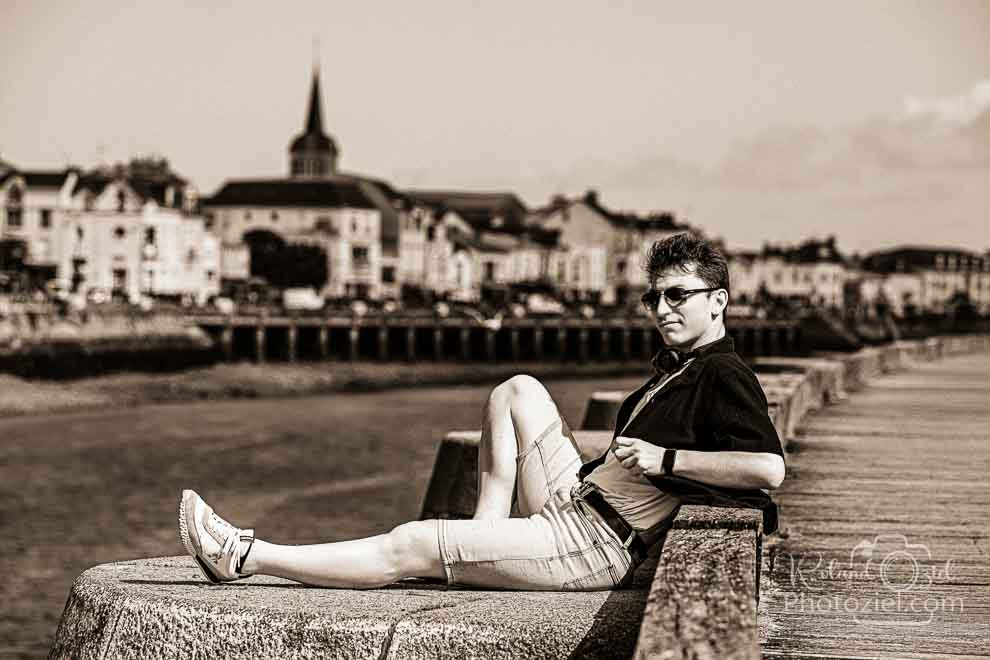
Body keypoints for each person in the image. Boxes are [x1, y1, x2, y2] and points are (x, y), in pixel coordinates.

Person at [179, 233, 786, 591]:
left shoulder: (724, 373)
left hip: (597, 543)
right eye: (654, 296)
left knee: (409, 543)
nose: (661, 308)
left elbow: (768, 469)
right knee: (518, 389)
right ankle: (483, 535)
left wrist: (665, 457)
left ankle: (245, 557)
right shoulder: (678, 366)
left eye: (678, 296)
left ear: (719, 301)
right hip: (579, 499)